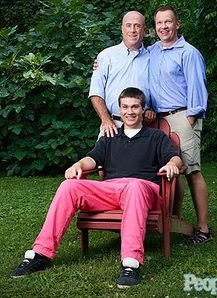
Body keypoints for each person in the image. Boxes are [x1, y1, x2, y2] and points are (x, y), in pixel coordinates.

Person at [11, 87, 182, 288]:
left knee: (134, 186)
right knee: (69, 187)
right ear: (119, 109)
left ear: (143, 110)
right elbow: (92, 159)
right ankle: (41, 254)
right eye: (125, 107)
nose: (129, 112)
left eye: (135, 107)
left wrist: (172, 164)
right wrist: (78, 165)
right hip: (111, 190)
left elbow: (176, 158)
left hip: (143, 190)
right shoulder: (109, 137)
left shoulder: (156, 137)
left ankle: (131, 263)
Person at [148, 5, 212, 244]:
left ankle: (203, 229)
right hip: (156, 119)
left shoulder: (188, 52)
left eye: (168, 22)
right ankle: (174, 219)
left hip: (183, 116)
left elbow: (198, 88)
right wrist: (99, 62)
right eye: (159, 23)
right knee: (170, 172)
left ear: (177, 24)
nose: (163, 26)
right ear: (154, 27)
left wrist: (190, 119)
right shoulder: (152, 51)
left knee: (191, 170)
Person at [89, 10, 156, 138]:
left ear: (144, 30)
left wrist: (150, 110)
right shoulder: (106, 56)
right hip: (112, 126)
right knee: (103, 158)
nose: (133, 30)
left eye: (137, 26)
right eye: (128, 25)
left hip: (143, 127)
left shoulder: (152, 57)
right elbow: (95, 92)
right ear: (122, 29)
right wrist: (106, 120)